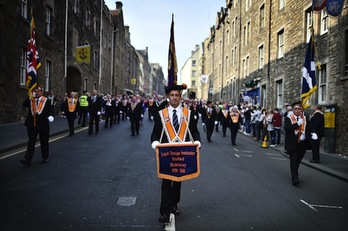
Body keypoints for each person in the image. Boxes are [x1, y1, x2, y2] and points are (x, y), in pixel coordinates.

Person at [151, 84, 201, 223]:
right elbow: (155, 132)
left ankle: (174, 204)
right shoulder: (161, 113)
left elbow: (194, 130)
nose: (174, 98)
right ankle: (164, 212)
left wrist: (197, 141)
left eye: (177, 95)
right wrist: (155, 143)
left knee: (178, 180)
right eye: (172, 95)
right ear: (168, 97)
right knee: (166, 181)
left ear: (180, 97)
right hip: (166, 151)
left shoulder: (188, 113)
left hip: (183, 150)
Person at [20, 85, 54, 166]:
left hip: (43, 124)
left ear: (41, 92)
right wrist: (29, 97)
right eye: (35, 91)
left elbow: (51, 110)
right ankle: (28, 159)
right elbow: (25, 104)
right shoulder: (31, 100)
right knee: (31, 142)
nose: (36, 93)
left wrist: (50, 116)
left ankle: (45, 157)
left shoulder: (47, 101)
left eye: (38, 91)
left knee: (44, 141)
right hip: (32, 124)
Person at [284, 101, 308, 186]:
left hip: (302, 144)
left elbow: (309, 128)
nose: (297, 110)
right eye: (296, 109)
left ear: (301, 110)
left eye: (299, 109)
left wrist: (313, 133)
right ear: (293, 110)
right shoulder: (289, 118)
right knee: (293, 161)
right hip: (293, 143)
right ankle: (295, 178)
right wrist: (297, 124)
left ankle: (295, 173)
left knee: (298, 161)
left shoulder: (304, 118)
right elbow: (287, 128)